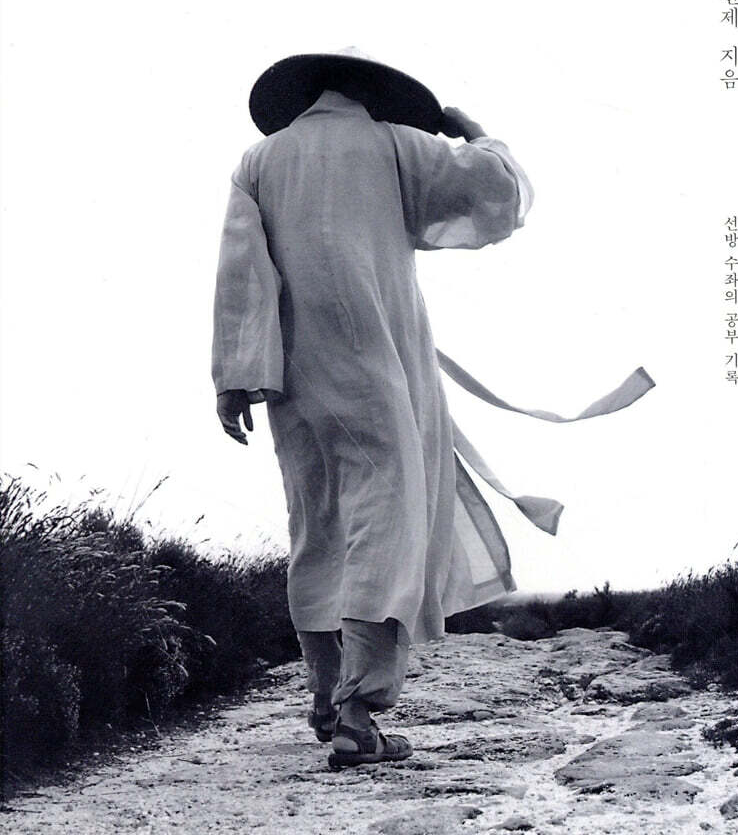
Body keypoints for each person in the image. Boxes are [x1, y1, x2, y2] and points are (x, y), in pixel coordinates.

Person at [211, 49, 654, 767]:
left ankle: (326, 694)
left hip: (295, 373)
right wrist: (472, 130)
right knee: (385, 525)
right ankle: (357, 713)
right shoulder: (394, 145)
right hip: (379, 366)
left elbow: (241, 271)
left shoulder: (259, 161)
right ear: (371, 92)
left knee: (317, 524)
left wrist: (236, 379)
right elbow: (497, 191)